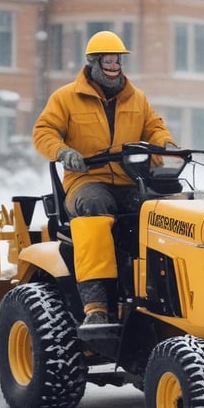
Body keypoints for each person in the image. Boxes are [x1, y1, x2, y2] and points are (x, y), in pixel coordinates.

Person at [32, 30, 176, 326]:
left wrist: (166, 146)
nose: (114, 66)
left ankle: (160, 292)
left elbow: (155, 128)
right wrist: (62, 151)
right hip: (85, 181)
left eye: (118, 60)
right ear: (93, 62)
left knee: (160, 209)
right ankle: (96, 305)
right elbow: (43, 131)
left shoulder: (137, 99)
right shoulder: (66, 98)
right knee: (96, 205)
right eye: (108, 60)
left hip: (129, 180)